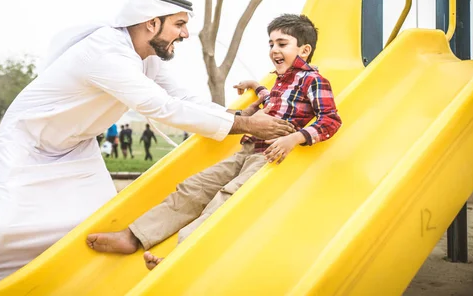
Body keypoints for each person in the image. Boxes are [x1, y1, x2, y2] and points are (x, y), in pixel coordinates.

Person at [0, 0, 294, 295]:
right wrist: (244, 126)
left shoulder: (145, 58)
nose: (186, 33)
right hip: (29, 146)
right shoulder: (105, 52)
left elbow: (183, 98)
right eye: (179, 23)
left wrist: (235, 118)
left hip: (76, 149)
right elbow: (162, 107)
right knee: (5, 228)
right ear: (151, 23)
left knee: (93, 220)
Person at [86, 14, 342, 270]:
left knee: (226, 197)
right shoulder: (280, 80)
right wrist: (255, 85)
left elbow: (330, 119)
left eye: (282, 44)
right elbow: (272, 98)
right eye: (271, 44)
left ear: (304, 50)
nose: (274, 49)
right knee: (193, 187)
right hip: (249, 150)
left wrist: (294, 138)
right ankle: (136, 235)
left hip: (272, 158)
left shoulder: (314, 81)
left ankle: (180, 257)